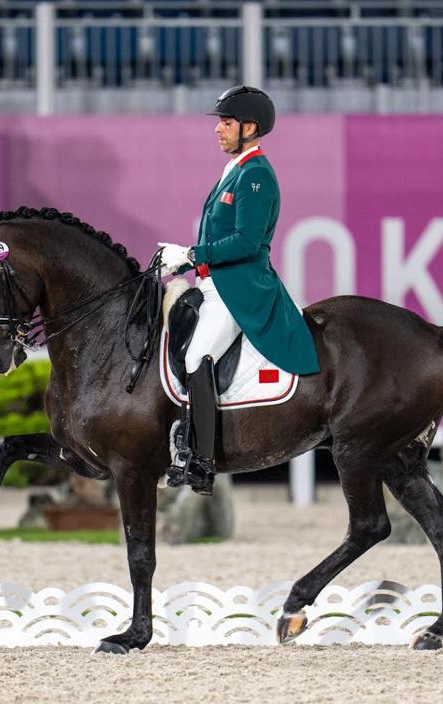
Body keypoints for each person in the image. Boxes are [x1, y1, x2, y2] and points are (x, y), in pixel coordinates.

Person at [159, 85, 320, 496]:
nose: (219, 130)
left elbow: (246, 243)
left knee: (198, 356)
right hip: (213, 284)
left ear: (250, 127)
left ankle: (201, 461)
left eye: (227, 123)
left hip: (239, 289)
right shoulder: (235, 170)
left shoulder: (256, 176)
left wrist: (190, 254)